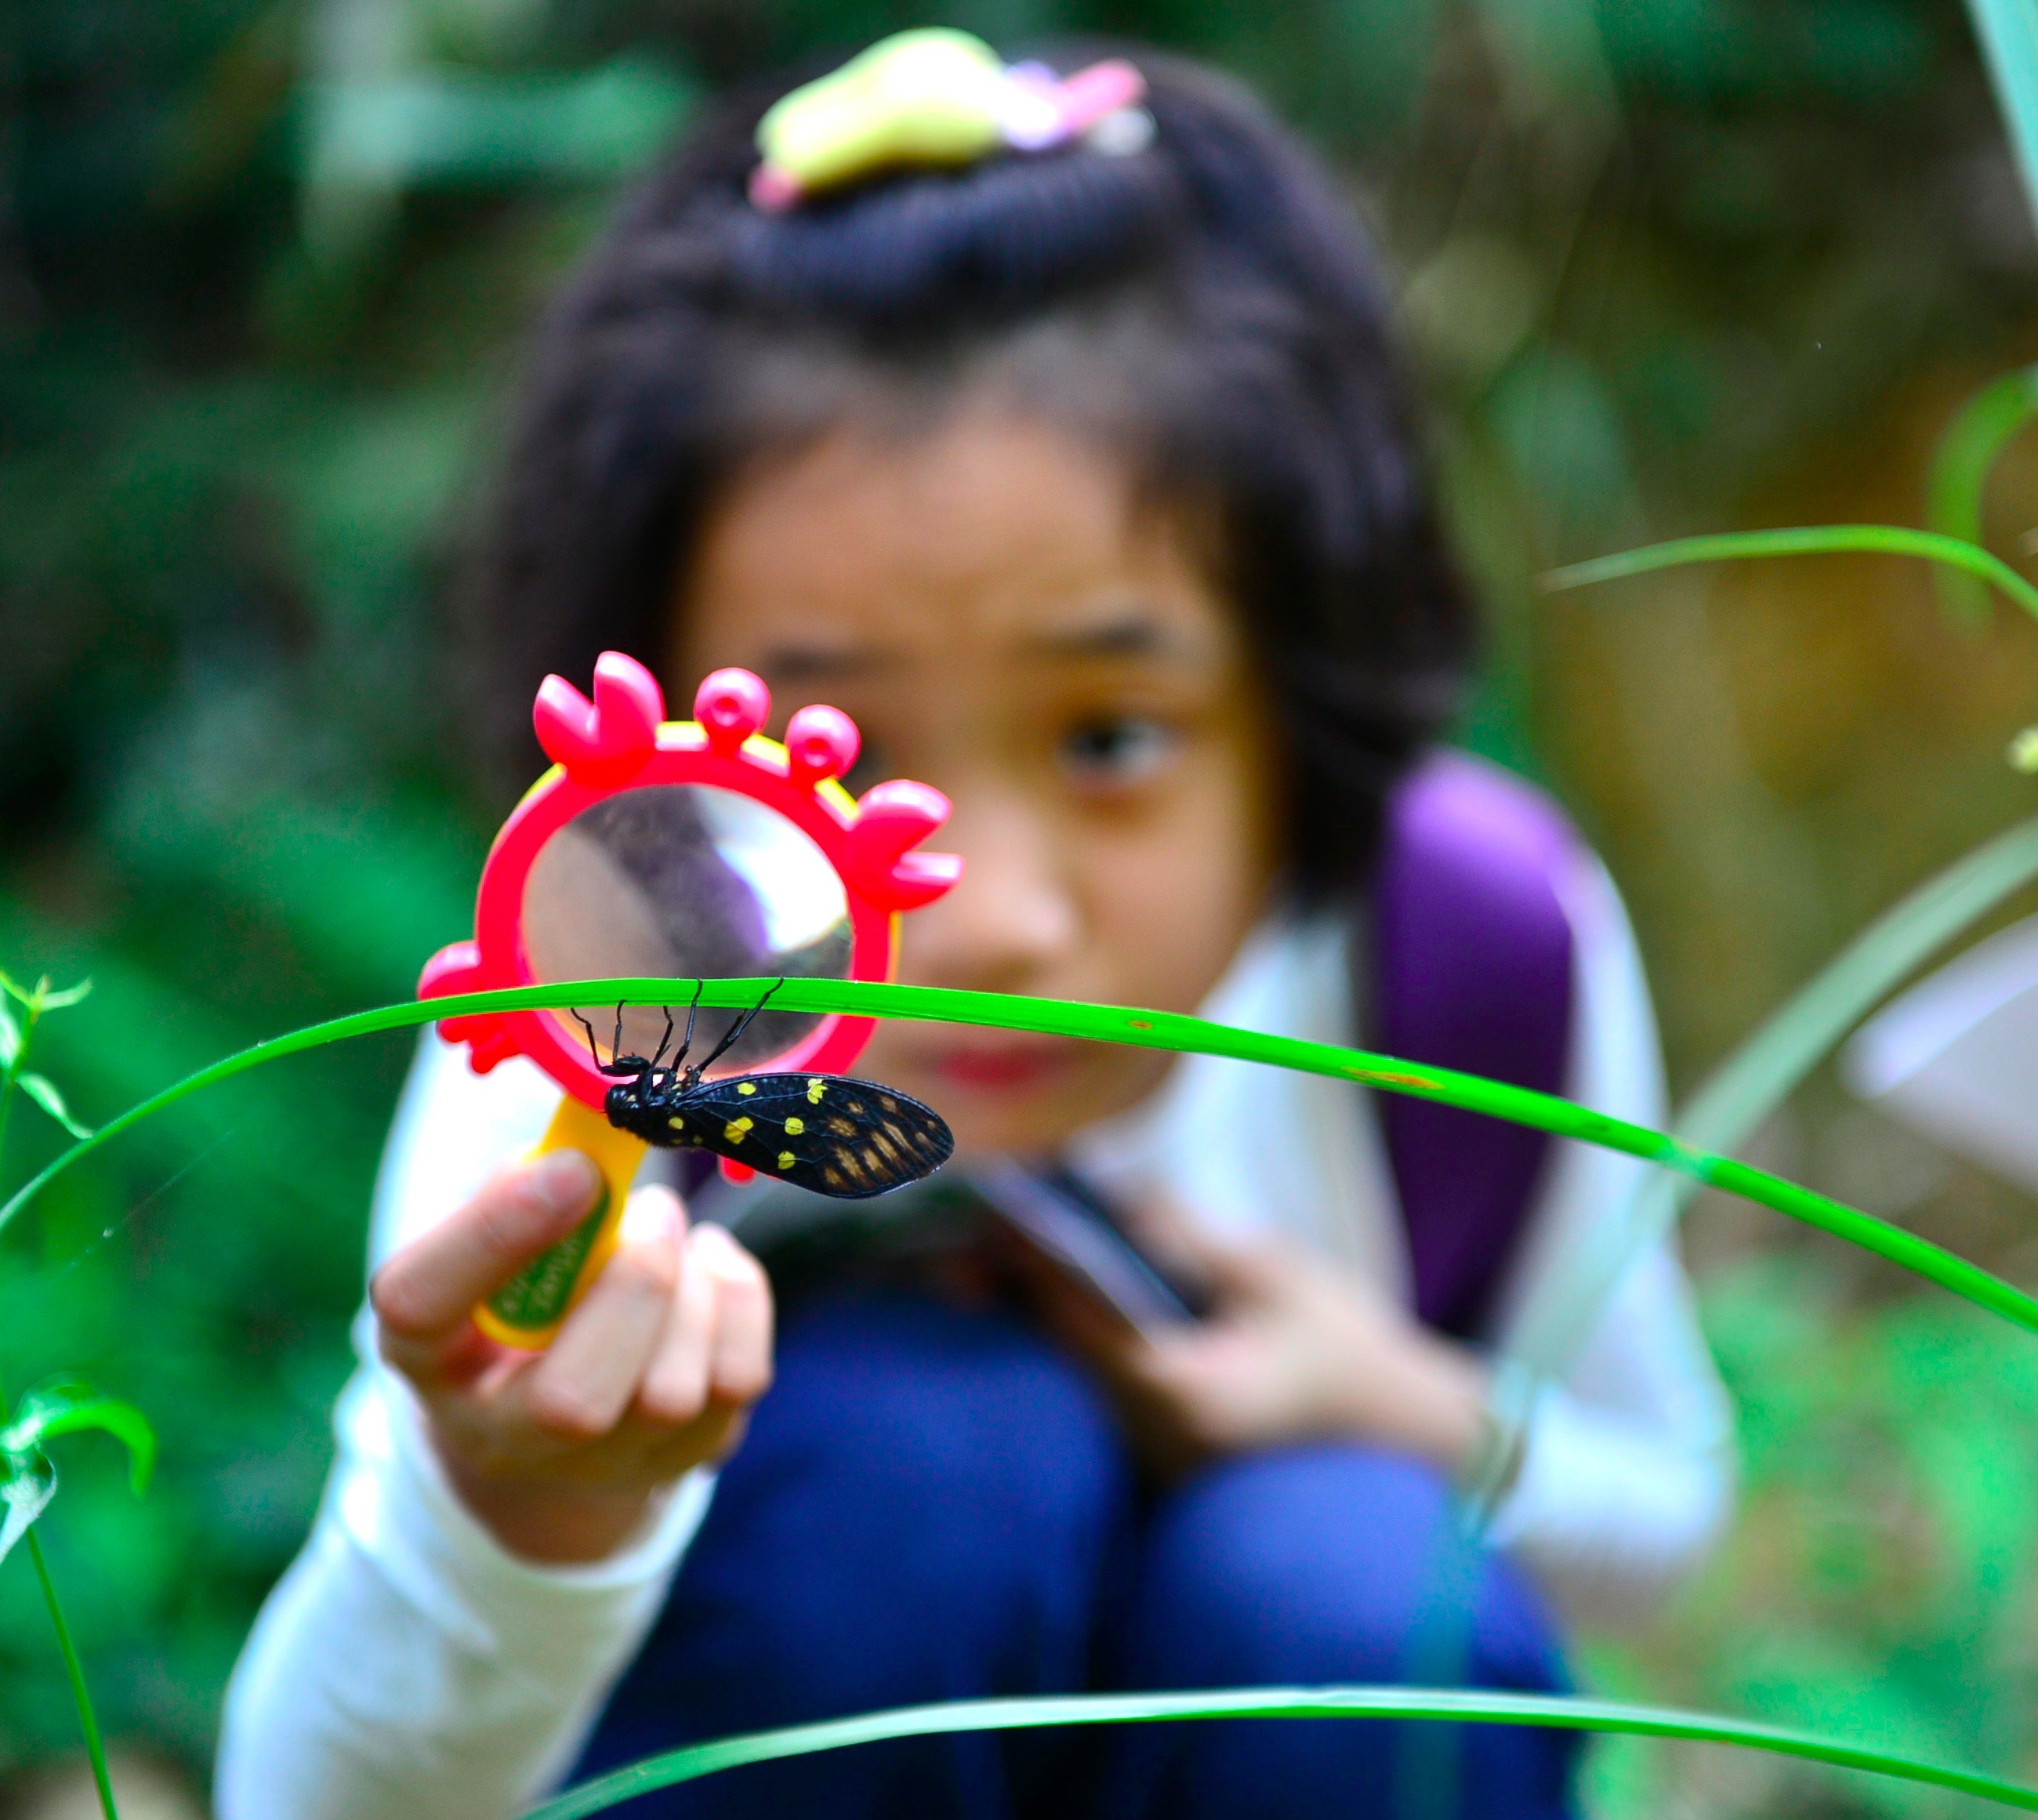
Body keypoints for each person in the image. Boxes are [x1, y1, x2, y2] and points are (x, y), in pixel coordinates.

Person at [216, 32, 1731, 1820]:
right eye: (829, 762)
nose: (989, 918)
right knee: (912, 1476)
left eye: (1111, 739)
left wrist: (1391, 1397)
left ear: (1303, 696)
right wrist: (520, 1517)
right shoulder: (594, 1028)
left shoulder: (1472, 945)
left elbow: (1659, 1522)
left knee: (1349, 1584)